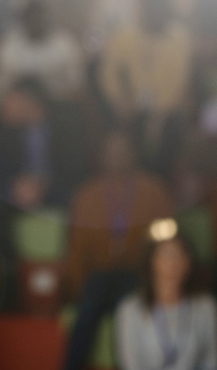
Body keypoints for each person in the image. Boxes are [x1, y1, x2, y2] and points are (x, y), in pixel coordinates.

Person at [63, 130, 173, 370]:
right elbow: (76, 248)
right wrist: (76, 286)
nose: (117, 157)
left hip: (137, 273)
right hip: (99, 274)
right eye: (111, 152)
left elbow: (166, 239)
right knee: (86, 314)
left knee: (128, 321)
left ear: (133, 155)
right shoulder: (86, 194)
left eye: (123, 152)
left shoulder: (153, 190)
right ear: (102, 157)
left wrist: (159, 279)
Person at [98, 0, 191, 176]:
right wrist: (120, 101)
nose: (138, 15)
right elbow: (109, 75)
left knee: (170, 131)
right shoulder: (124, 35)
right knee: (123, 134)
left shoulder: (180, 39)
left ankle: (158, 188)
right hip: (128, 109)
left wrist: (158, 116)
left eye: (142, 10)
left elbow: (179, 84)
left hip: (166, 114)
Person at [116, 228, 217, 370]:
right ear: (151, 262)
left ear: (188, 263)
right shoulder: (130, 310)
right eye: (166, 256)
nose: (173, 263)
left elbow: (212, 362)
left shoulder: (206, 307)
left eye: (179, 255)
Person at [0, 0, 85, 100]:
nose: (37, 21)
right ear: (24, 20)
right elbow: (3, 87)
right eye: (32, 17)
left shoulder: (66, 44)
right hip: (23, 106)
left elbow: (75, 86)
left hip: (59, 104)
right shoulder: (9, 47)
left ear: (49, 18)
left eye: (41, 17)